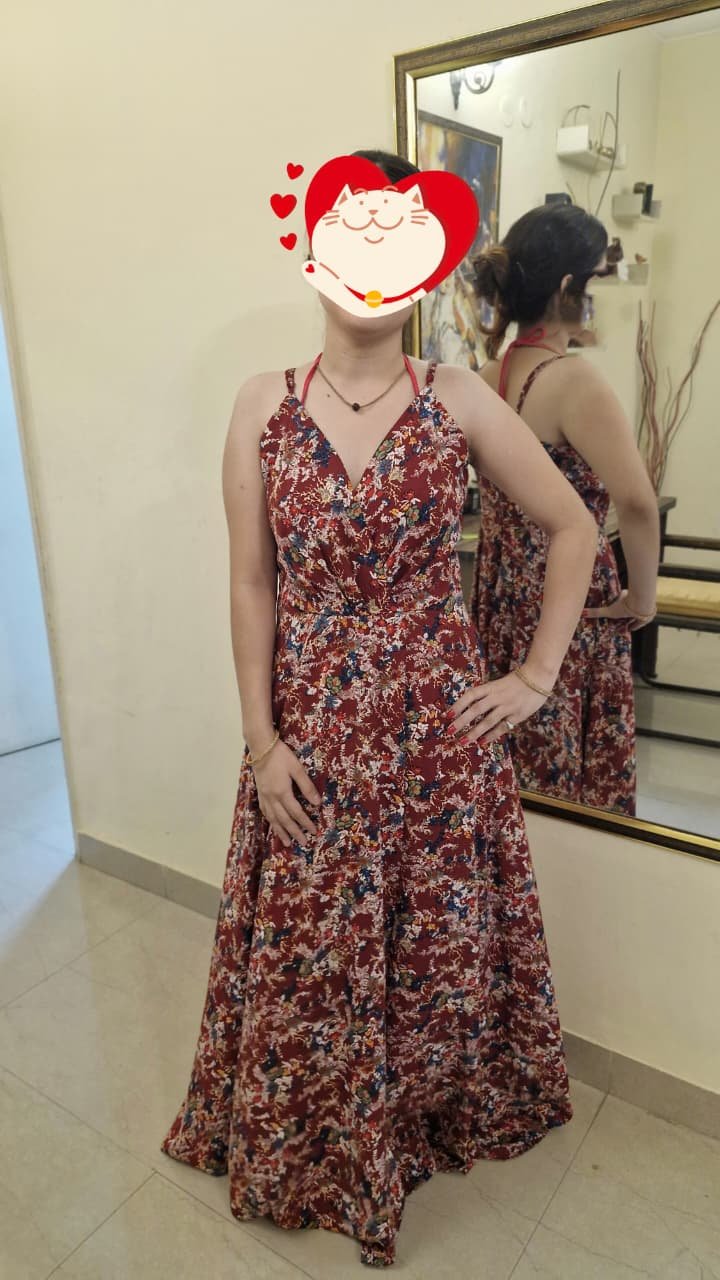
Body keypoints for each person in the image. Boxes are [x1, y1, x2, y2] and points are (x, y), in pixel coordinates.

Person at [160, 152, 597, 1268]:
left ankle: (412, 1127)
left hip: (436, 738)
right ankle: (315, 1141)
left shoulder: (458, 398)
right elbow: (250, 581)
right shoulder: (262, 403)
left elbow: (575, 527)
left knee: (432, 947)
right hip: (309, 733)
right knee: (311, 952)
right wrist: (260, 740)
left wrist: (535, 676)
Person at [472, 204, 660, 816]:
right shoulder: (575, 383)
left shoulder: (484, 375)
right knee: (569, 775)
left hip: (500, 595)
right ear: (567, 288)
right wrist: (642, 598)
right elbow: (637, 502)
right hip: (570, 596)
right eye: (596, 281)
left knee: (509, 761)